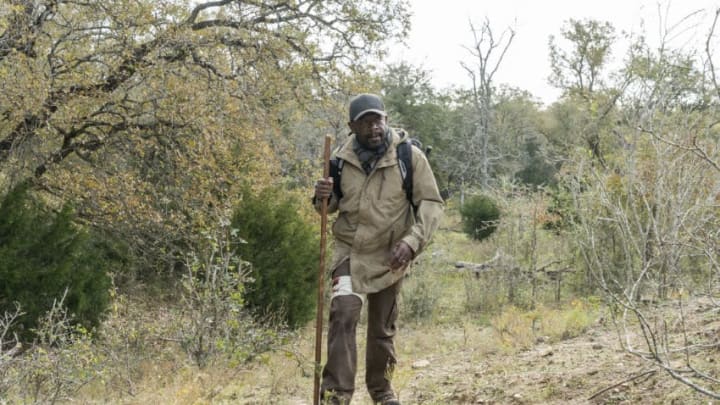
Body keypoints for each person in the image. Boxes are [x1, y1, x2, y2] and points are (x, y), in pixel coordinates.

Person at [313, 93, 444, 405]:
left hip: (391, 253)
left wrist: (411, 243)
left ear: (386, 120)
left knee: (382, 328)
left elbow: (431, 204)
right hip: (351, 251)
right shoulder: (338, 160)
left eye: (379, 120)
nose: (374, 128)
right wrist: (320, 196)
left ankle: (382, 392)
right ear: (352, 126)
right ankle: (336, 395)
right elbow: (326, 209)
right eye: (366, 122)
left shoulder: (409, 157)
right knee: (343, 313)